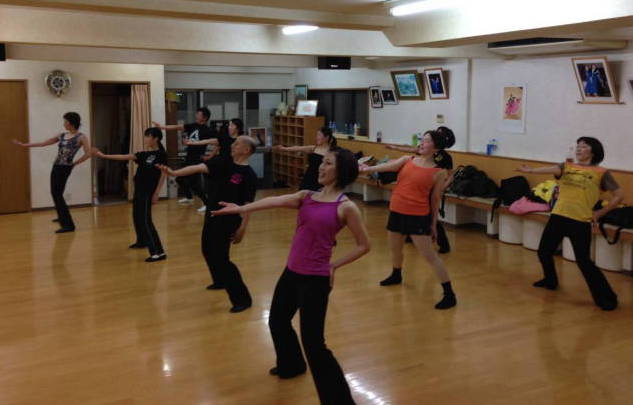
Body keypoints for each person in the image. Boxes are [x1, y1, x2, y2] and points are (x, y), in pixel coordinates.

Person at [211, 147, 370, 405]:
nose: (321, 167)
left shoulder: (346, 207)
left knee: (314, 345)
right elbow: (273, 201)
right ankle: (292, 364)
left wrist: (334, 266)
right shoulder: (306, 196)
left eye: (328, 163)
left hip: (315, 280)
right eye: (322, 162)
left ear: (341, 171)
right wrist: (241, 208)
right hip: (291, 272)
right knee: (277, 320)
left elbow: (364, 245)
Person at [517, 137, 622, 310]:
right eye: (578, 146)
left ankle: (607, 298)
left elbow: (619, 195)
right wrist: (531, 170)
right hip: (558, 216)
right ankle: (550, 281)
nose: (579, 149)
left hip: (580, 221)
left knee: (583, 261)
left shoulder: (601, 172)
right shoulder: (567, 166)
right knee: (544, 251)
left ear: (593, 151)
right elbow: (552, 168)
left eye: (584, 146)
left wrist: (599, 213)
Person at [157, 136, 258, 312]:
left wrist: (243, 228)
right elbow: (199, 167)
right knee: (207, 249)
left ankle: (242, 299)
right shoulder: (223, 163)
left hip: (229, 219)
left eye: (237, 143)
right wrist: (174, 173)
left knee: (221, 258)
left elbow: (248, 204)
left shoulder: (249, 175)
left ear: (246, 150)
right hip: (212, 214)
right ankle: (219, 281)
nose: (233, 145)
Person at [361, 130, 456, 309]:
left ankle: (449, 294)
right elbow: (388, 166)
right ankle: (396, 274)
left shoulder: (439, 172)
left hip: (418, 216)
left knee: (430, 256)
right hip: (397, 211)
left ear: (435, 148)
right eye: (422, 140)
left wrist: (433, 224)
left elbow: (435, 199)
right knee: (395, 248)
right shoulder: (407, 160)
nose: (421, 143)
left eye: (426, 141)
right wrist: (367, 169)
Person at [92, 127, 168, 262]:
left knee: (146, 220)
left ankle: (158, 252)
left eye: (147, 136)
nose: (145, 139)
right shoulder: (144, 154)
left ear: (155, 138)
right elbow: (125, 156)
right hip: (139, 190)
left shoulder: (161, 154)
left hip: (147, 191)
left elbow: (163, 174)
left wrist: (156, 193)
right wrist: (103, 156)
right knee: (137, 216)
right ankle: (142, 241)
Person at [14, 112, 91, 233]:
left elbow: (88, 153)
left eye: (65, 121)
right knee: (56, 193)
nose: (64, 124)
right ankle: (61, 216)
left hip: (65, 168)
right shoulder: (62, 135)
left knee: (57, 194)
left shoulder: (81, 137)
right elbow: (44, 143)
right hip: (56, 166)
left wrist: (74, 163)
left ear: (71, 123)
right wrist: (25, 145)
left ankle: (68, 225)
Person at [385, 126, 455, 254]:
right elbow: (412, 149)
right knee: (414, 213)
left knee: (431, 217)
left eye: (439, 134)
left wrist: (442, 188)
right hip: (422, 188)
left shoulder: (445, 157)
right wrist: (394, 147)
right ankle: (410, 235)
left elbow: (451, 175)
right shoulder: (426, 151)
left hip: (433, 189)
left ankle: (444, 244)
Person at [152, 107, 214, 211]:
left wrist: (211, 155)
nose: (196, 115)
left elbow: (217, 142)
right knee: (179, 179)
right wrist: (162, 127)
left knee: (195, 183)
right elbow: (177, 127)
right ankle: (189, 198)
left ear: (204, 118)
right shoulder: (192, 126)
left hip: (197, 160)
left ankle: (207, 204)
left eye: (198, 114)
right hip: (189, 158)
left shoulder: (207, 130)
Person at [273, 126, 337, 191]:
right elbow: (298, 148)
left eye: (319, 135)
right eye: (317, 135)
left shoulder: (331, 152)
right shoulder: (314, 148)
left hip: (320, 180)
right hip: (308, 178)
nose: (317, 137)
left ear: (327, 137)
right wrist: (284, 148)